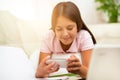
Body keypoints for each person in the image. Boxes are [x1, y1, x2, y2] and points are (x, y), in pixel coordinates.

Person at [35, 1, 96, 78]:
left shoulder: (83, 36)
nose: (65, 34)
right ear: (54, 29)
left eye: (70, 28)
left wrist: (79, 69)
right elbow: (40, 72)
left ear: (78, 26)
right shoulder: (48, 37)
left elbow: (92, 74)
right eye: (59, 29)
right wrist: (40, 73)